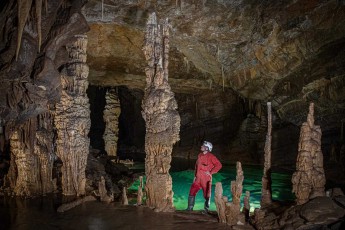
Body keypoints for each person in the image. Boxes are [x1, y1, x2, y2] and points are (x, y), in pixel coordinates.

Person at [186, 141, 222, 212]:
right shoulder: (200, 155)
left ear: (207, 148)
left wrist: (211, 172)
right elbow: (197, 166)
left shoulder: (211, 157)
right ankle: (190, 208)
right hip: (198, 178)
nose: (201, 146)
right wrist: (195, 176)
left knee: (207, 194)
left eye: (203, 146)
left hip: (206, 179)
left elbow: (219, 165)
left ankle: (206, 209)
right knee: (192, 191)